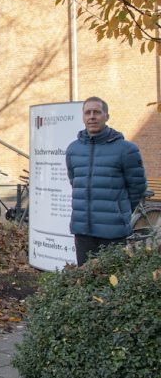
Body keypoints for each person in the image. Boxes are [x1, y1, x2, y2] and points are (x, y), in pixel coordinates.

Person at [65, 96, 146, 266]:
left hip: (113, 232)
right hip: (83, 231)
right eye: (88, 112)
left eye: (97, 112)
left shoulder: (126, 149)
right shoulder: (73, 149)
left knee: (112, 283)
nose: (92, 116)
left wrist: (119, 210)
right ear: (83, 117)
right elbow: (75, 181)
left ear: (106, 116)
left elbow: (137, 187)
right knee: (84, 282)